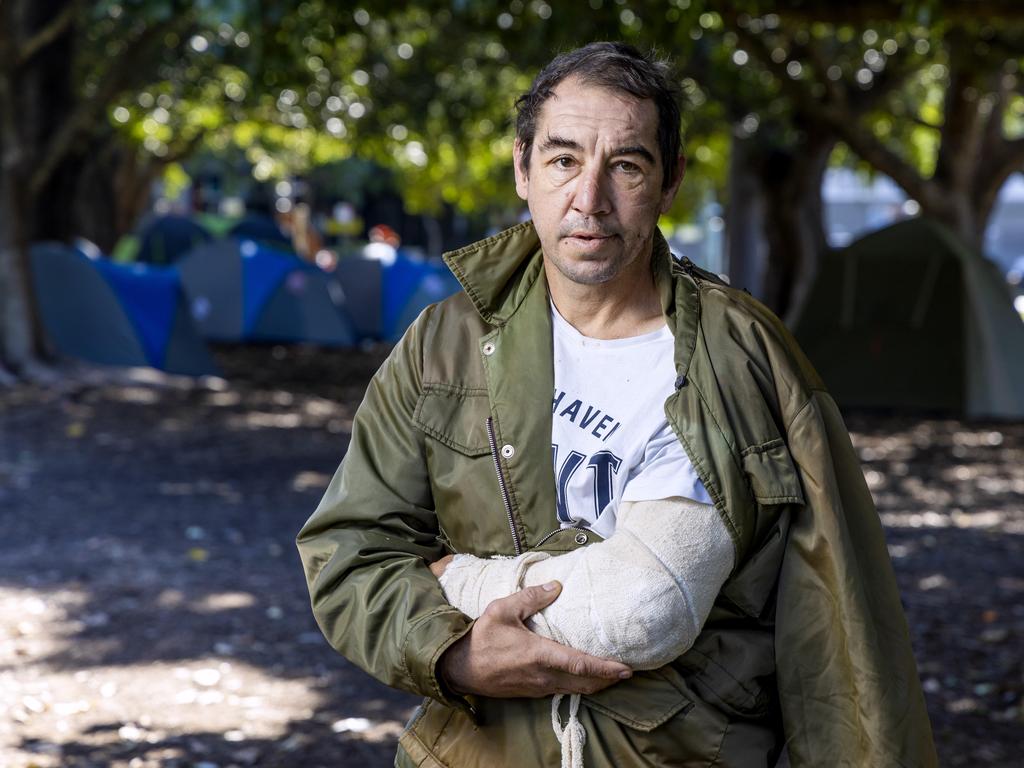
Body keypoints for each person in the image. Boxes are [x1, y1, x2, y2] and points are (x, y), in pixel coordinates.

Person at [297, 42, 937, 767]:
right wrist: (455, 657)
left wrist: (467, 582)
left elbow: (829, 624)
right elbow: (350, 552)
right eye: (564, 160)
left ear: (670, 184)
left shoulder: (743, 357)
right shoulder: (442, 346)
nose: (589, 200)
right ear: (522, 168)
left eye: (626, 166)